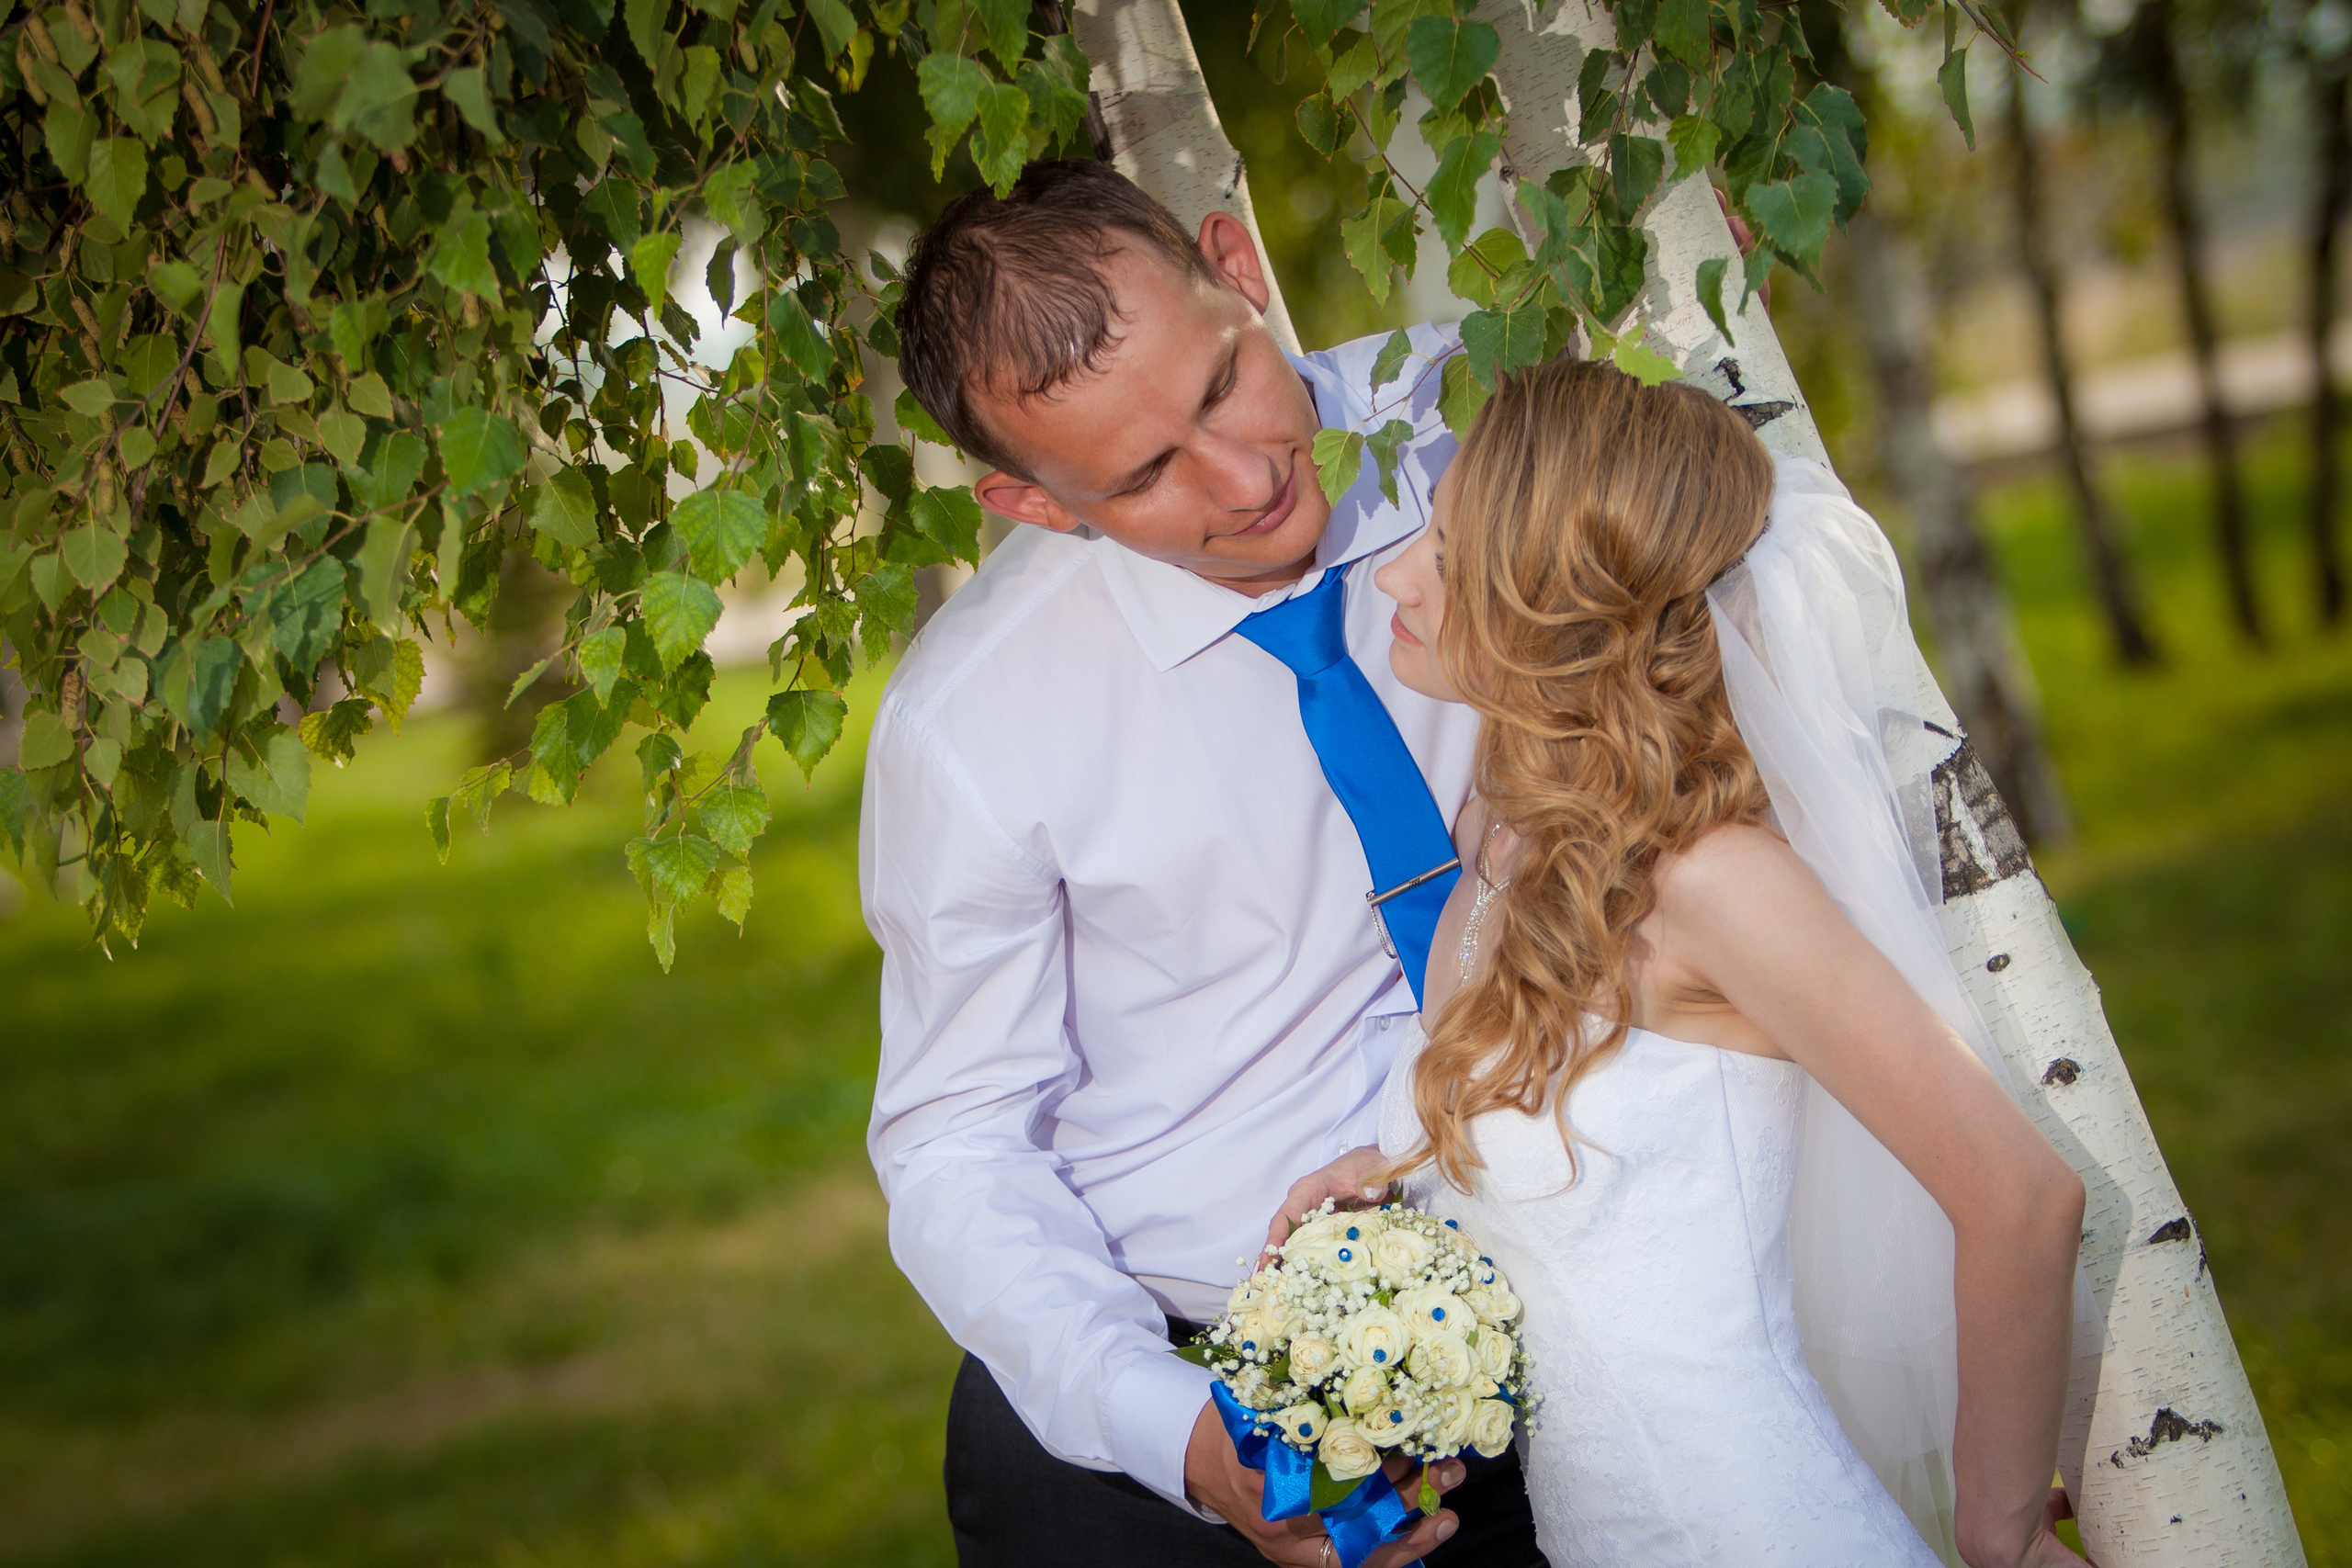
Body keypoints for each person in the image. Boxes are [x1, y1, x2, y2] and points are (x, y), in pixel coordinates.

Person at [1272, 359, 2092, 1568]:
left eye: (1445, 555)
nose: (1394, 574)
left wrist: (1998, 1527)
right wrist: (1390, 1180)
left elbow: (2022, 1197)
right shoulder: (1508, 818)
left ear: (1559, 610)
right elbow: (1594, 1167)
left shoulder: (1712, 881)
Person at [863, 159, 1543, 1566]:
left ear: (1238, 268)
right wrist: (1181, 1433)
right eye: (1147, 473)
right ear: (1032, 504)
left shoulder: (1484, 417)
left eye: (1228, 384)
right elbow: (956, 1142)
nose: (1247, 481)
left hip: (1572, 1296)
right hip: (1184, 1413)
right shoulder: (972, 723)